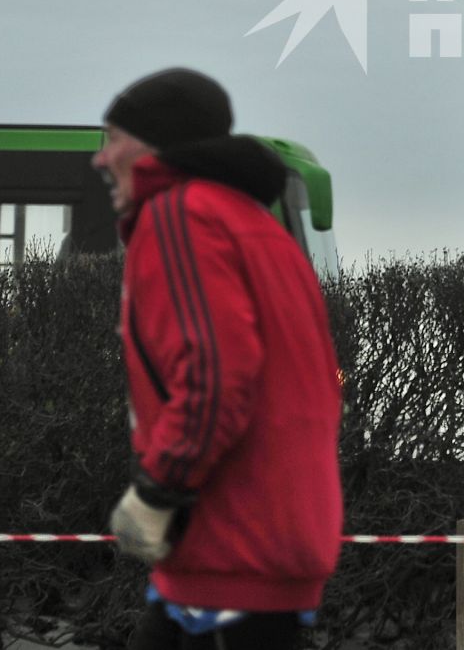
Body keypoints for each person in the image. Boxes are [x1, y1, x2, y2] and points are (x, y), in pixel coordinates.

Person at [93, 68, 342, 649]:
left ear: (155, 147)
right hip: (263, 546)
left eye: (111, 139)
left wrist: (157, 491)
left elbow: (214, 377)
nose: (100, 160)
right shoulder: (256, 224)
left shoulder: (179, 214)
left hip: (226, 549)